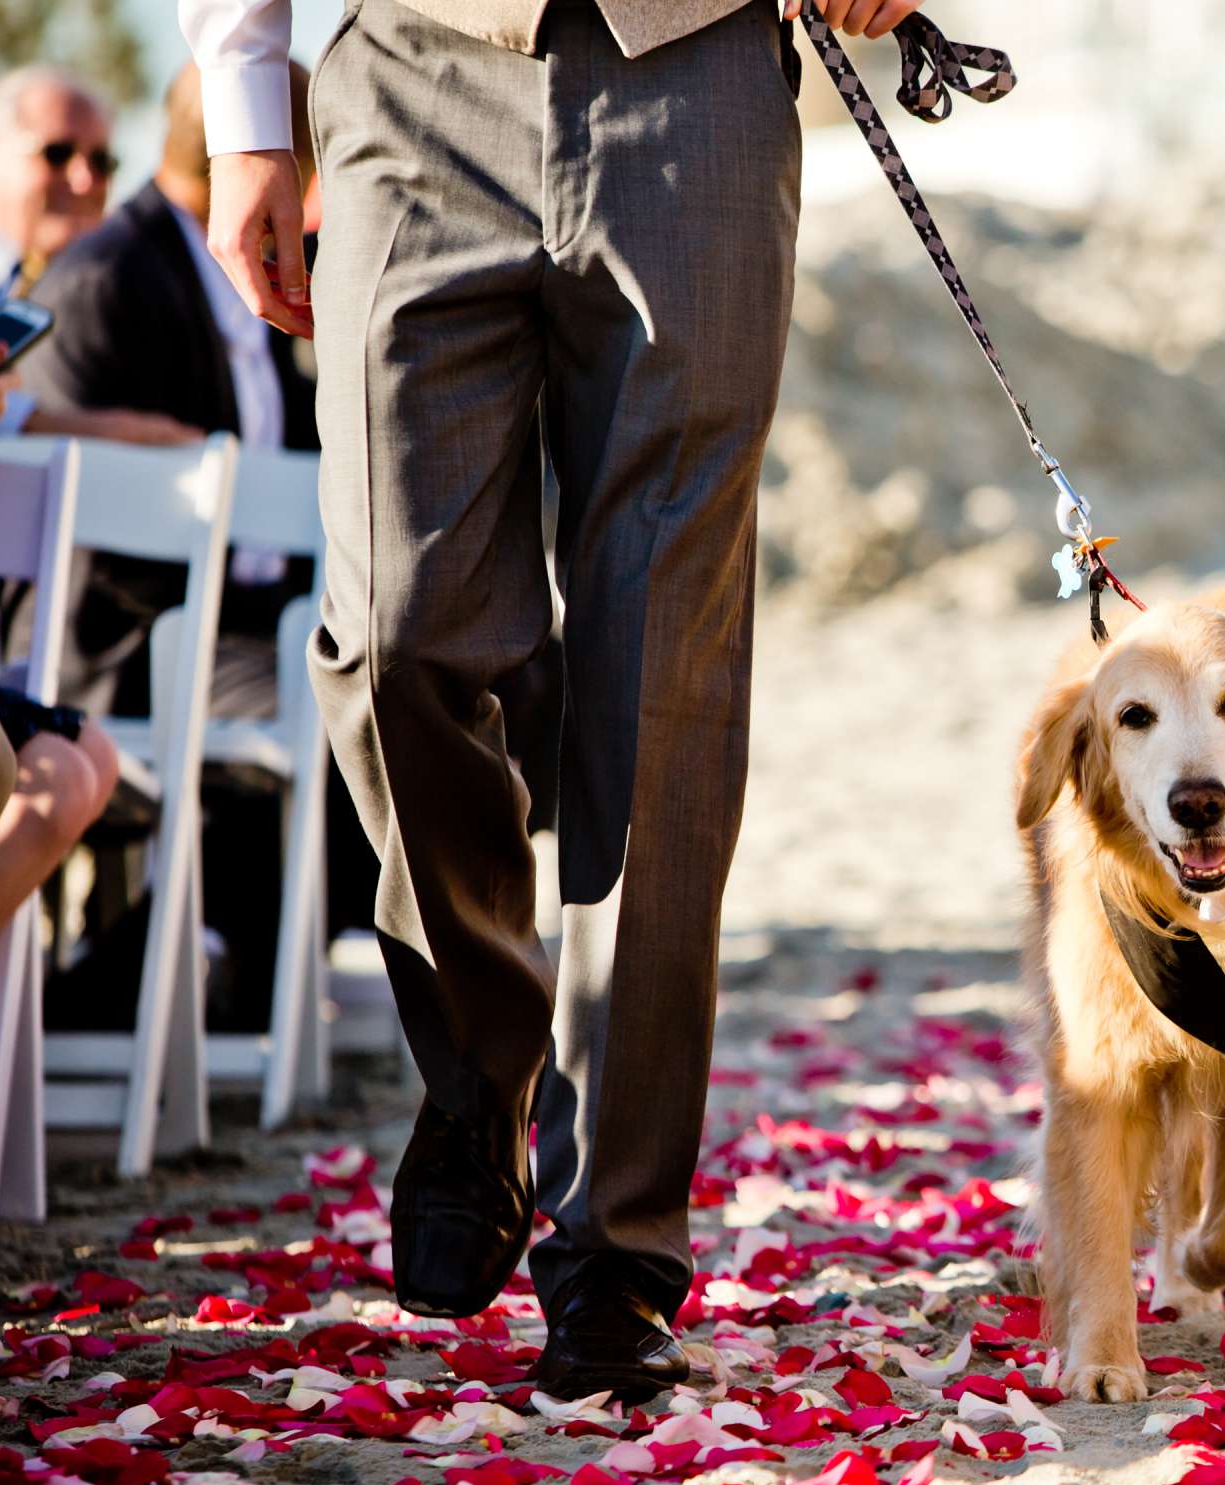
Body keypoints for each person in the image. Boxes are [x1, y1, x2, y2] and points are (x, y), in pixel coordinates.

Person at [182, 0, 927, 1400]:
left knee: (663, 684)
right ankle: (479, 1061)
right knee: (395, 631)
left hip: (691, 79)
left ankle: (616, 1252)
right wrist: (245, 110)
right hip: (409, 77)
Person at [21, 60, 383, 1037]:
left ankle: (239, 959)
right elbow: (83, 521)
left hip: (240, 622)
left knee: (426, 676)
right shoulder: (111, 278)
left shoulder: (242, 275)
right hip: (126, 638)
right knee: (359, 703)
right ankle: (188, 964)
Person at [0, 66, 198, 446]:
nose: (84, 180)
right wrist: (44, 426)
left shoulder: (113, 282)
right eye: (57, 153)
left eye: (102, 162)